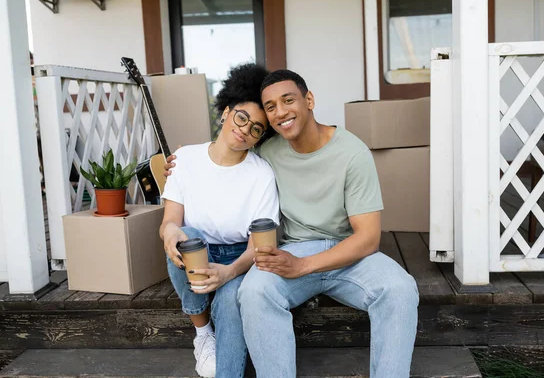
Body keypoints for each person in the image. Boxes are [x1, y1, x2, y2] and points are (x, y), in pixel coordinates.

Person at [165, 69, 419, 378]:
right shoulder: (266, 150)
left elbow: (368, 239)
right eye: (271, 107)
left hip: (349, 253)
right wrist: (180, 163)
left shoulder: (353, 153)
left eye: (288, 100)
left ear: (309, 100)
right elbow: (229, 150)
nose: (280, 112)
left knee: (401, 288)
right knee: (254, 292)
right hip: (293, 249)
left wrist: (304, 266)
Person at [159, 63, 279, 378]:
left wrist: (228, 272)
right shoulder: (184, 160)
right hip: (197, 250)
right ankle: (202, 334)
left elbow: (259, 244)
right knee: (186, 235)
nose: (245, 128)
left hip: (241, 257)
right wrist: (170, 234)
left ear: (259, 138)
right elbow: (170, 221)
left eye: (256, 128)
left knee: (229, 303)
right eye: (242, 117)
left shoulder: (261, 175)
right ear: (226, 112)